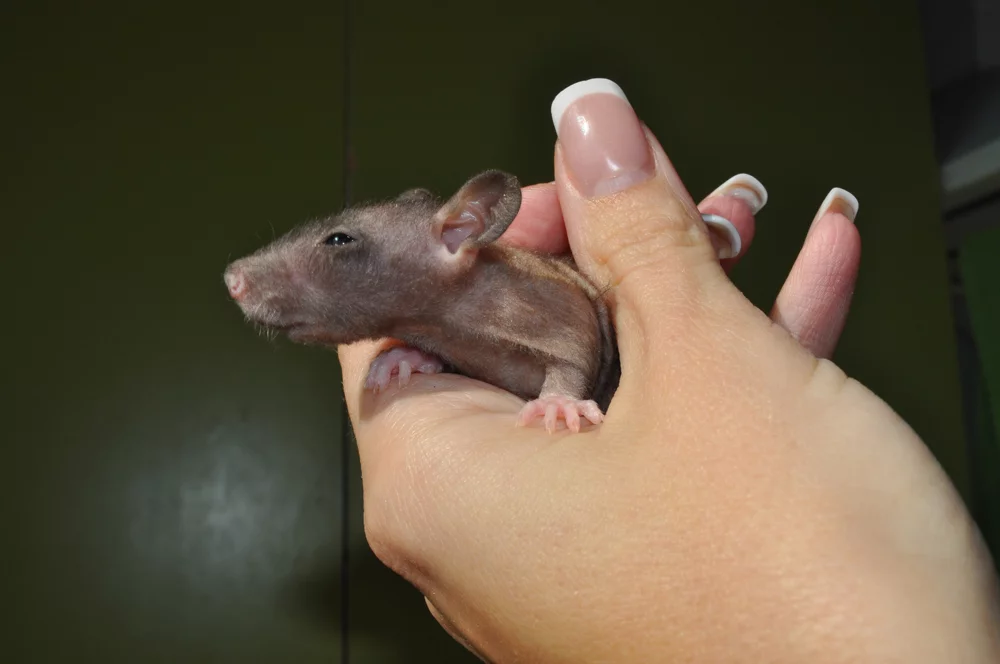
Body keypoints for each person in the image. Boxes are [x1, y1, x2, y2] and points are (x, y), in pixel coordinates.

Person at [339, 79, 1000, 662]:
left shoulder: (511, 291)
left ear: (461, 230)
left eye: (342, 245)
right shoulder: (441, 314)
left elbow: (571, 344)